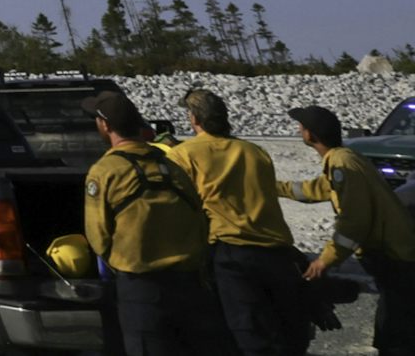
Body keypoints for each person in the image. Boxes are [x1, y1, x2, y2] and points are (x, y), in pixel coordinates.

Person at [82, 89, 230, 355]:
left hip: (141, 288)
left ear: (105, 125)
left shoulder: (105, 171)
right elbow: (199, 217)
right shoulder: (171, 166)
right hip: (190, 285)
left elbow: (98, 235)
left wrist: (118, 265)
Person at [166, 87, 309, 356]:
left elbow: (180, 208)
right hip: (276, 251)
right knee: (285, 332)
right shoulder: (254, 151)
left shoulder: (183, 155)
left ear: (194, 119)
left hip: (230, 254)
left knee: (248, 335)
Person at [277, 104, 415, 356]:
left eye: (301, 126)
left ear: (311, 135)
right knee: (395, 321)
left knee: (397, 329)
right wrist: (273, 186)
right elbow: (316, 189)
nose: (299, 130)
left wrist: (325, 261)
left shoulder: (342, 164)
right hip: (398, 254)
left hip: (396, 258)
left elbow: (354, 223)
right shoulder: (344, 158)